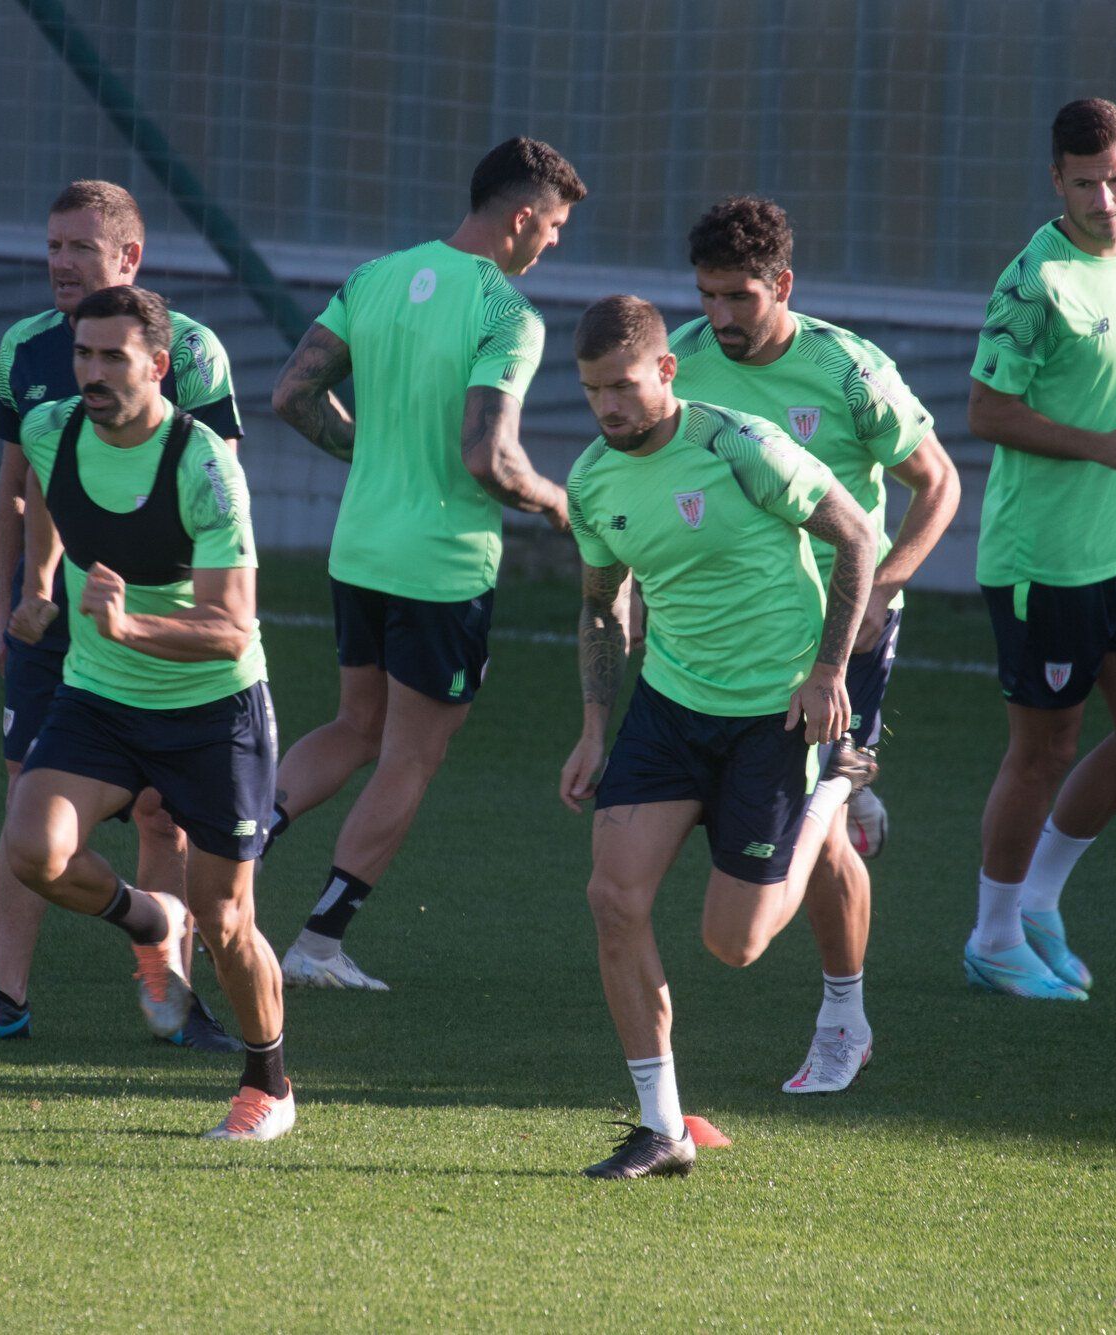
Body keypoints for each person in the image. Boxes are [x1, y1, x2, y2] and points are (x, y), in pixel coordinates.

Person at [560, 296, 878, 1179]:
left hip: (773, 716)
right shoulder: (593, 477)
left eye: (622, 386)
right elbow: (598, 604)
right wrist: (594, 730)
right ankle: (660, 1127)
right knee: (612, 897)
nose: (608, 408)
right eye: (592, 391)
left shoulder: (741, 446)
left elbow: (854, 535)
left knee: (731, 945)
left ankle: (828, 798)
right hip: (669, 709)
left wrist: (827, 675)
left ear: (665, 370)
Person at [0, 180, 242, 1052]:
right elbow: (18, 491)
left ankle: (173, 993)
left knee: (161, 812)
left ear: (129, 258)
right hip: (52, 618)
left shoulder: (194, 350)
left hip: (155, 623)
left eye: (80, 248)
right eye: (53, 245)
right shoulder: (25, 347)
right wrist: (14, 598)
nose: (60, 262)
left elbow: (212, 490)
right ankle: (7, 995)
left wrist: (146, 611)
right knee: (27, 796)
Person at [265, 137, 586, 990]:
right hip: (440, 569)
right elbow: (490, 458)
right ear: (522, 216)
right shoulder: (506, 314)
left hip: (360, 546)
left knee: (352, 727)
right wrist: (560, 504)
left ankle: (231, 857)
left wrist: (376, 455)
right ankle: (318, 946)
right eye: (553, 226)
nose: (554, 243)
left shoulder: (374, 276)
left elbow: (291, 394)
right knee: (408, 755)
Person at [669, 196, 961, 1090]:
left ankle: (844, 1016)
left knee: (815, 825)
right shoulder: (676, 360)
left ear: (783, 286)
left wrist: (885, 587)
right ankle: (851, 784)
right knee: (807, 828)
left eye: (740, 298)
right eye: (708, 295)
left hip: (842, 630)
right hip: (729, 634)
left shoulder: (849, 373)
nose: (720, 318)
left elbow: (938, 483)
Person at [0, 284, 290, 1139]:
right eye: (82, 355)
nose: (91, 373)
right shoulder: (50, 427)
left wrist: (128, 623)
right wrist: (40, 587)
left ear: (158, 365)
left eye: (112, 357)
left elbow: (232, 630)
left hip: (214, 710)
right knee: (33, 848)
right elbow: (49, 493)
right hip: (101, 697)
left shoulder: (203, 465)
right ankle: (151, 918)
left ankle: (267, 1083)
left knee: (230, 920)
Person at [964, 98, 1116, 1000]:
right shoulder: (1032, 281)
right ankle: (991, 937)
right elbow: (984, 412)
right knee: (1042, 752)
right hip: (1042, 562)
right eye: (1088, 183)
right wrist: (1106, 444)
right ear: (1057, 180)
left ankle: (1041, 901)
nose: (1107, 199)